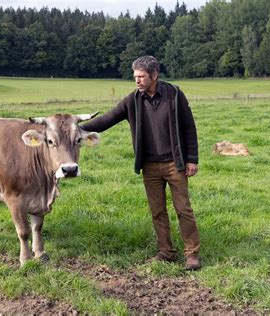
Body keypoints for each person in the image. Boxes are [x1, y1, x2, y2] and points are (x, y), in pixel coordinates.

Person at [81, 55, 201, 270]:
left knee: (183, 209)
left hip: (176, 164)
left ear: (154, 75)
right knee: (157, 211)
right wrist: (76, 129)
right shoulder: (132, 100)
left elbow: (189, 128)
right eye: (135, 76)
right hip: (150, 167)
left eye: (141, 76)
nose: (136, 80)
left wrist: (192, 159)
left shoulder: (174, 95)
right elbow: (107, 119)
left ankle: (192, 255)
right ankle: (166, 252)